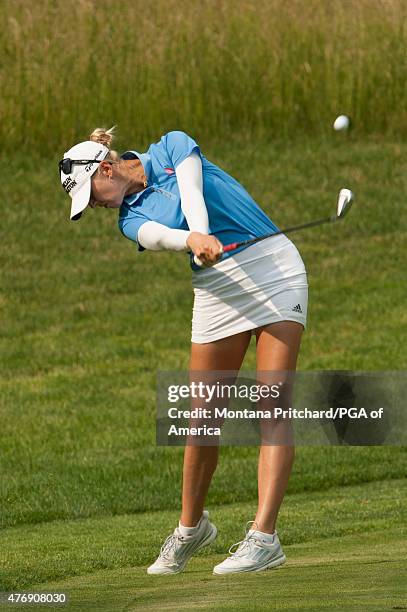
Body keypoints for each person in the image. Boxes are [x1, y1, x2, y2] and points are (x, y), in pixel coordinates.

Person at [59, 127, 308, 575]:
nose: (92, 205)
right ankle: (191, 530)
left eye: (89, 193)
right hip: (217, 289)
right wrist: (193, 242)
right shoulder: (128, 219)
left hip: (273, 268)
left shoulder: (172, 145)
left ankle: (264, 537)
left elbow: (192, 189)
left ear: (107, 168)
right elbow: (159, 237)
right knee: (202, 420)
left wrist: (200, 232)